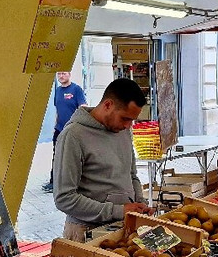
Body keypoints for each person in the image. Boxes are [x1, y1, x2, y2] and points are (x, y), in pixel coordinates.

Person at [53, 78, 150, 242]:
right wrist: (118, 210)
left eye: (132, 120)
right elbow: (64, 198)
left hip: (122, 228)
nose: (128, 126)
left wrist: (140, 204)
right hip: (85, 232)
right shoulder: (73, 136)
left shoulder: (123, 131)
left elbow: (131, 175)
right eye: (125, 118)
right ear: (107, 105)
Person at [42, 70, 87, 193]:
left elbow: (83, 107)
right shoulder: (58, 91)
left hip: (72, 129)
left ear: (69, 74)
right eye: (59, 74)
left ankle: (77, 182)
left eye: (64, 74)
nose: (61, 76)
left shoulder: (76, 89)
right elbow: (58, 110)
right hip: (59, 129)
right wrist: (55, 126)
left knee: (73, 157)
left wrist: (79, 125)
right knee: (57, 156)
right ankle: (54, 182)